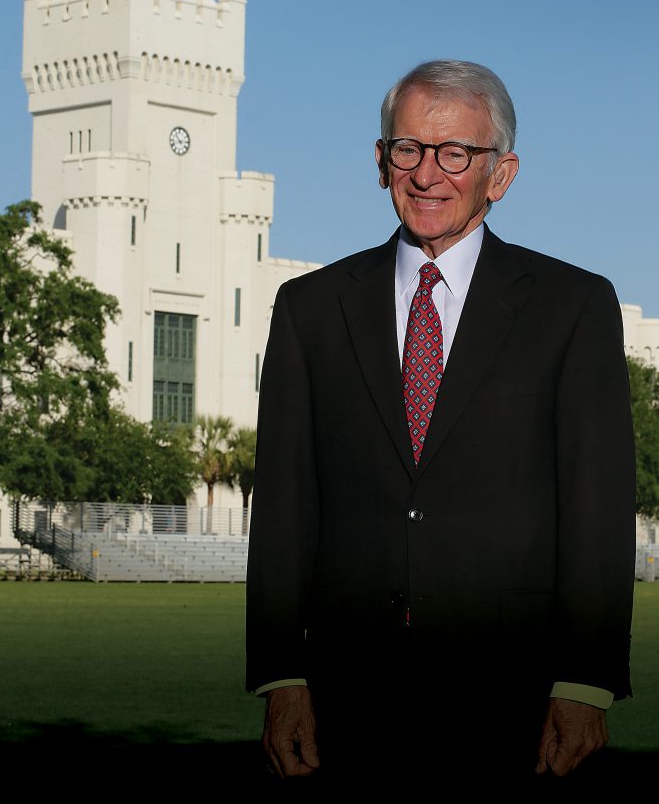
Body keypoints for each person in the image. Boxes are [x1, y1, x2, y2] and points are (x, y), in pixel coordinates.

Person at [246, 60, 635, 784]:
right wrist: (280, 677)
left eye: (455, 152)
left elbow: (596, 508)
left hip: (513, 697)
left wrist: (585, 682)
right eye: (408, 149)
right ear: (379, 161)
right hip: (343, 700)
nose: (427, 173)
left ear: (500, 173)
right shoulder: (310, 309)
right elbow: (283, 510)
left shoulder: (571, 307)